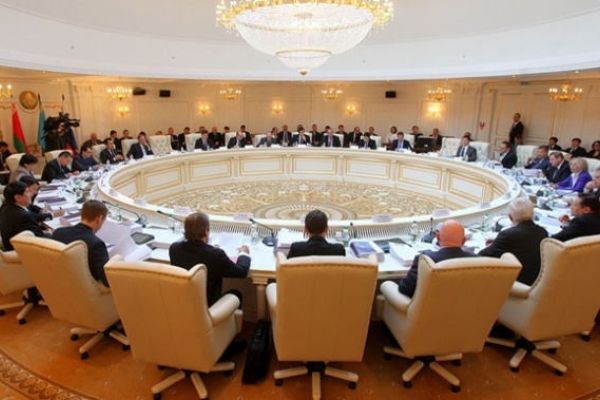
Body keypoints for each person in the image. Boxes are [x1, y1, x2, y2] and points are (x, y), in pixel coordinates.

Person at [169, 212, 251, 306]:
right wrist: (244, 253)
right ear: (206, 231)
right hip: (207, 306)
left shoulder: (174, 249)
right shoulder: (216, 254)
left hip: (182, 304)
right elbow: (241, 272)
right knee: (236, 293)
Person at [398, 220, 475, 298]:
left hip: (429, 305)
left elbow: (405, 289)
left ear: (437, 237)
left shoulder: (425, 260)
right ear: (464, 241)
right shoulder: (477, 260)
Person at [479, 198, 548, 285]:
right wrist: (497, 243)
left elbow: (481, 256)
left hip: (515, 283)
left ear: (510, 217)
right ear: (532, 214)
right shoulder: (543, 232)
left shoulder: (507, 235)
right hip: (536, 282)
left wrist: (493, 245)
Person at [51, 200, 111, 287]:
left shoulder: (58, 232)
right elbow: (107, 281)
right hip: (83, 289)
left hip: (57, 283)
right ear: (99, 219)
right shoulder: (96, 244)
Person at [0, 182, 47, 250]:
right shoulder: (24, 216)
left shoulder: (5, 206)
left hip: (9, 245)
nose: (31, 194)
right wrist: (48, 233)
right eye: (27, 192)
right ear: (18, 197)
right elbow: (40, 238)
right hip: (21, 251)